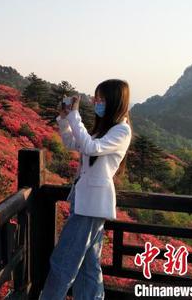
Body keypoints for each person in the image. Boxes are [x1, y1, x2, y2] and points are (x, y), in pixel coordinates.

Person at [39, 79, 133, 300]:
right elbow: (76, 144)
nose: (96, 102)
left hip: (91, 206)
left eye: (101, 98)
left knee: (63, 262)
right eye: (96, 98)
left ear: (114, 101)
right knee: (88, 268)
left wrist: (75, 115)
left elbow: (91, 148)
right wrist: (64, 119)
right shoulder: (105, 130)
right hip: (84, 202)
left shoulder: (121, 130)